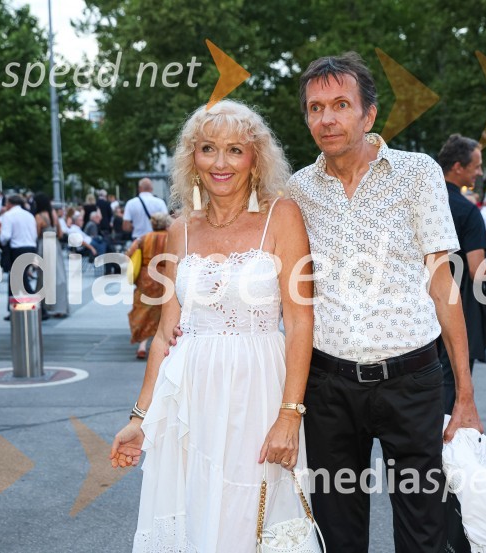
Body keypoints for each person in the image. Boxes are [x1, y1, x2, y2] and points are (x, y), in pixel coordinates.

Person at [288, 52, 480, 552]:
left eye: (340, 104)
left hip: (412, 381)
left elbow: (443, 285)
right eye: (315, 108)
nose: (327, 119)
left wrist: (464, 394)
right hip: (328, 386)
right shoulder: (298, 190)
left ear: (368, 114)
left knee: (423, 531)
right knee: (336, 532)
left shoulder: (417, 173)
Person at [110, 100, 313, 552]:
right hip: (191, 399)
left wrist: (290, 414)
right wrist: (139, 420)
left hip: (258, 393)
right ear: (192, 158)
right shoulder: (180, 230)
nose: (220, 163)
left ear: (255, 159)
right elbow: (165, 335)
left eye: (235, 150)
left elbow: (301, 323)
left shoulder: (282, 216)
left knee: (249, 517)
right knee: (197, 516)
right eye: (208, 149)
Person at [436, 134, 486, 415]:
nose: (480, 172)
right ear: (458, 167)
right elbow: (477, 270)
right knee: (452, 381)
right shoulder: (467, 211)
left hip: (418, 305)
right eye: (477, 165)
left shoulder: (421, 202)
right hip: (457, 306)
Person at [126, 212, 173, 359]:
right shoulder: (171, 238)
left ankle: (142, 345)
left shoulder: (143, 239)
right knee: (165, 311)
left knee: (144, 311)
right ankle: (166, 345)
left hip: (146, 278)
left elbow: (129, 254)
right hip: (167, 276)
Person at [0, 195, 40, 321]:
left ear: (10, 203)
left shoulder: (8, 215)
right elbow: (34, 234)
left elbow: (5, 236)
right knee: (19, 279)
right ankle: (16, 308)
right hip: (30, 247)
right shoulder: (29, 215)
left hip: (17, 249)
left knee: (18, 280)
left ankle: (37, 307)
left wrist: (0, 240)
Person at [34, 192, 69, 318]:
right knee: (58, 274)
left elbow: (36, 233)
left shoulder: (39, 217)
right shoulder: (54, 214)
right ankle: (60, 307)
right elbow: (60, 233)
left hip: (44, 245)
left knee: (44, 275)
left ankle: (44, 305)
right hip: (55, 244)